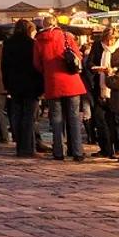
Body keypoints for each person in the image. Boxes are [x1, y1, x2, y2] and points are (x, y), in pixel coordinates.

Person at [33, 17, 87, 162]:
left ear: (43, 25)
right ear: (55, 23)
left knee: (56, 119)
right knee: (74, 118)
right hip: (71, 81)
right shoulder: (66, 36)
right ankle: (77, 151)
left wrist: (48, 70)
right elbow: (78, 57)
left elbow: (37, 64)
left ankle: (59, 151)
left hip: (52, 82)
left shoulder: (39, 40)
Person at [2, 19, 42, 157]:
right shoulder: (32, 44)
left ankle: (20, 146)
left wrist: (6, 84)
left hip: (14, 85)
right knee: (29, 117)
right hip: (31, 84)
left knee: (17, 116)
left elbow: (4, 66)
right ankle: (28, 148)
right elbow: (38, 66)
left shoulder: (8, 44)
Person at [86, 25, 119, 158]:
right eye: (107, 40)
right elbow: (89, 63)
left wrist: (113, 70)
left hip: (115, 88)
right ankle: (105, 148)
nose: (109, 43)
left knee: (115, 120)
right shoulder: (97, 46)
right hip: (100, 86)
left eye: (112, 40)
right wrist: (96, 68)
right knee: (100, 119)